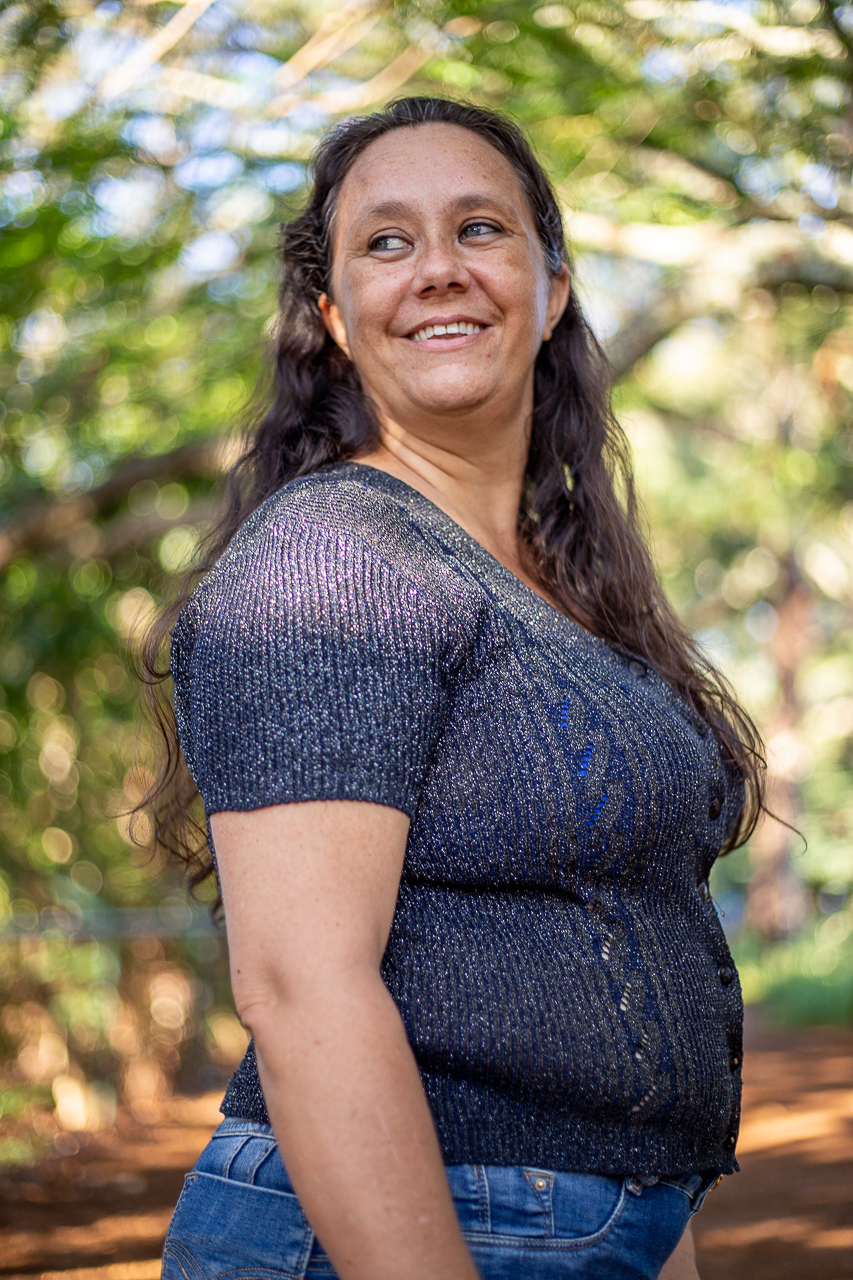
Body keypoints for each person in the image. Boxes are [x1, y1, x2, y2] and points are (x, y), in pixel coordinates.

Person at [148, 96, 765, 1280]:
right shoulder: (334, 558)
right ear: (333, 318)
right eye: (386, 242)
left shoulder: (563, 588)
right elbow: (298, 985)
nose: (436, 268)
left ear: (552, 288)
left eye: (479, 228)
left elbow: (613, 950)